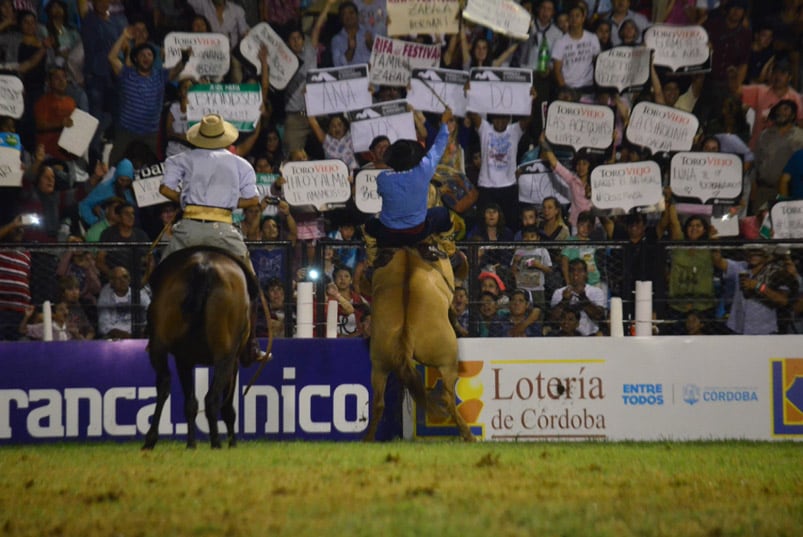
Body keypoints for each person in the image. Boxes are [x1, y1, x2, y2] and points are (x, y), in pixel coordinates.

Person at [158, 113, 267, 362]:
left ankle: (155, 330)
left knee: (161, 274)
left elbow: (165, 189)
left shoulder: (180, 158)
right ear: (224, 136)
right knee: (250, 283)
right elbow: (252, 200)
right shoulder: (241, 164)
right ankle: (250, 344)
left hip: (188, 228)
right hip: (223, 230)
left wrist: (186, 202)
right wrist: (226, 202)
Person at [364, 107, 455, 261]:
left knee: (369, 225)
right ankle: (449, 251)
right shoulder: (423, 170)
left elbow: (381, 193)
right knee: (443, 214)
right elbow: (438, 147)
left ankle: (373, 259)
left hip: (389, 233)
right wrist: (444, 124)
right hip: (418, 231)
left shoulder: (382, 177)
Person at [713, 245, 792, 334]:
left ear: (766, 254)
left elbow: (783, 300)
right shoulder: (740, 267)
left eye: (757, 252)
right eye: (751, 251)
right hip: (738, 327)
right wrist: (714, 242)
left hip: (764, 328)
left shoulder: (776, 272)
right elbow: (717, 261)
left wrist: (758, 286)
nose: (753, 254)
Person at [550, 258, 607, 336]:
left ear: (586, 274)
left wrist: (583, 297)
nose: (575, 273)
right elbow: (553, 319)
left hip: (589, 336)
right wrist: (564, 301)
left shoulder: (596, 291)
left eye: (580, 271)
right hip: (565, 336)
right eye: (572, 271)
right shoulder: (559, 292)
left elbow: (598, 316)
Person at [97, 265, 151, 338]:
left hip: (138, 335)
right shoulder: (106, 294)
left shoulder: (139, 293)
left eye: (125, 277)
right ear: (111, 282)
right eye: (118, 278)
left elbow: (151, 314)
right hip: (115, 337)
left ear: (129, 279)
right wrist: (126, 336)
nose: (122, 281)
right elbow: (103, 326)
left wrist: (143, 331)